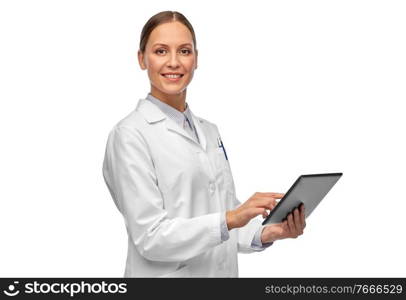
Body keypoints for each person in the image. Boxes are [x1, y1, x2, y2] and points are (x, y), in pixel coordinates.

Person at [102, 11, 306, 278]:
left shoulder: (209, 131)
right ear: (142, 59)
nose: (174, 62)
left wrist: (268, 231)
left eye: (184, 51)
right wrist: (231, 218)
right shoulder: (129, 135)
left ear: (196, 59)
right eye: (161, 51)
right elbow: (150, 236)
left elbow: (222, 209)